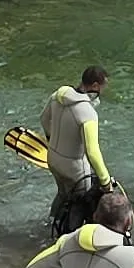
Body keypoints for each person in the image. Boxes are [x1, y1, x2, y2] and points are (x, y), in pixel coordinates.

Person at [41, 65, 114, 233]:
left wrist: (52, 140)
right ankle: (67, 237)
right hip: (75, 168)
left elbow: (44, 120)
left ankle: (50, 223)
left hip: (53, 158)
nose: (103, 91)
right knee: (79, 204)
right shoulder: (87, 113)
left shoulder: (58, 96)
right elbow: (92, 152)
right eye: (103, 87)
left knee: (62, 194)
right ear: (95, 86)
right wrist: (105, 181)